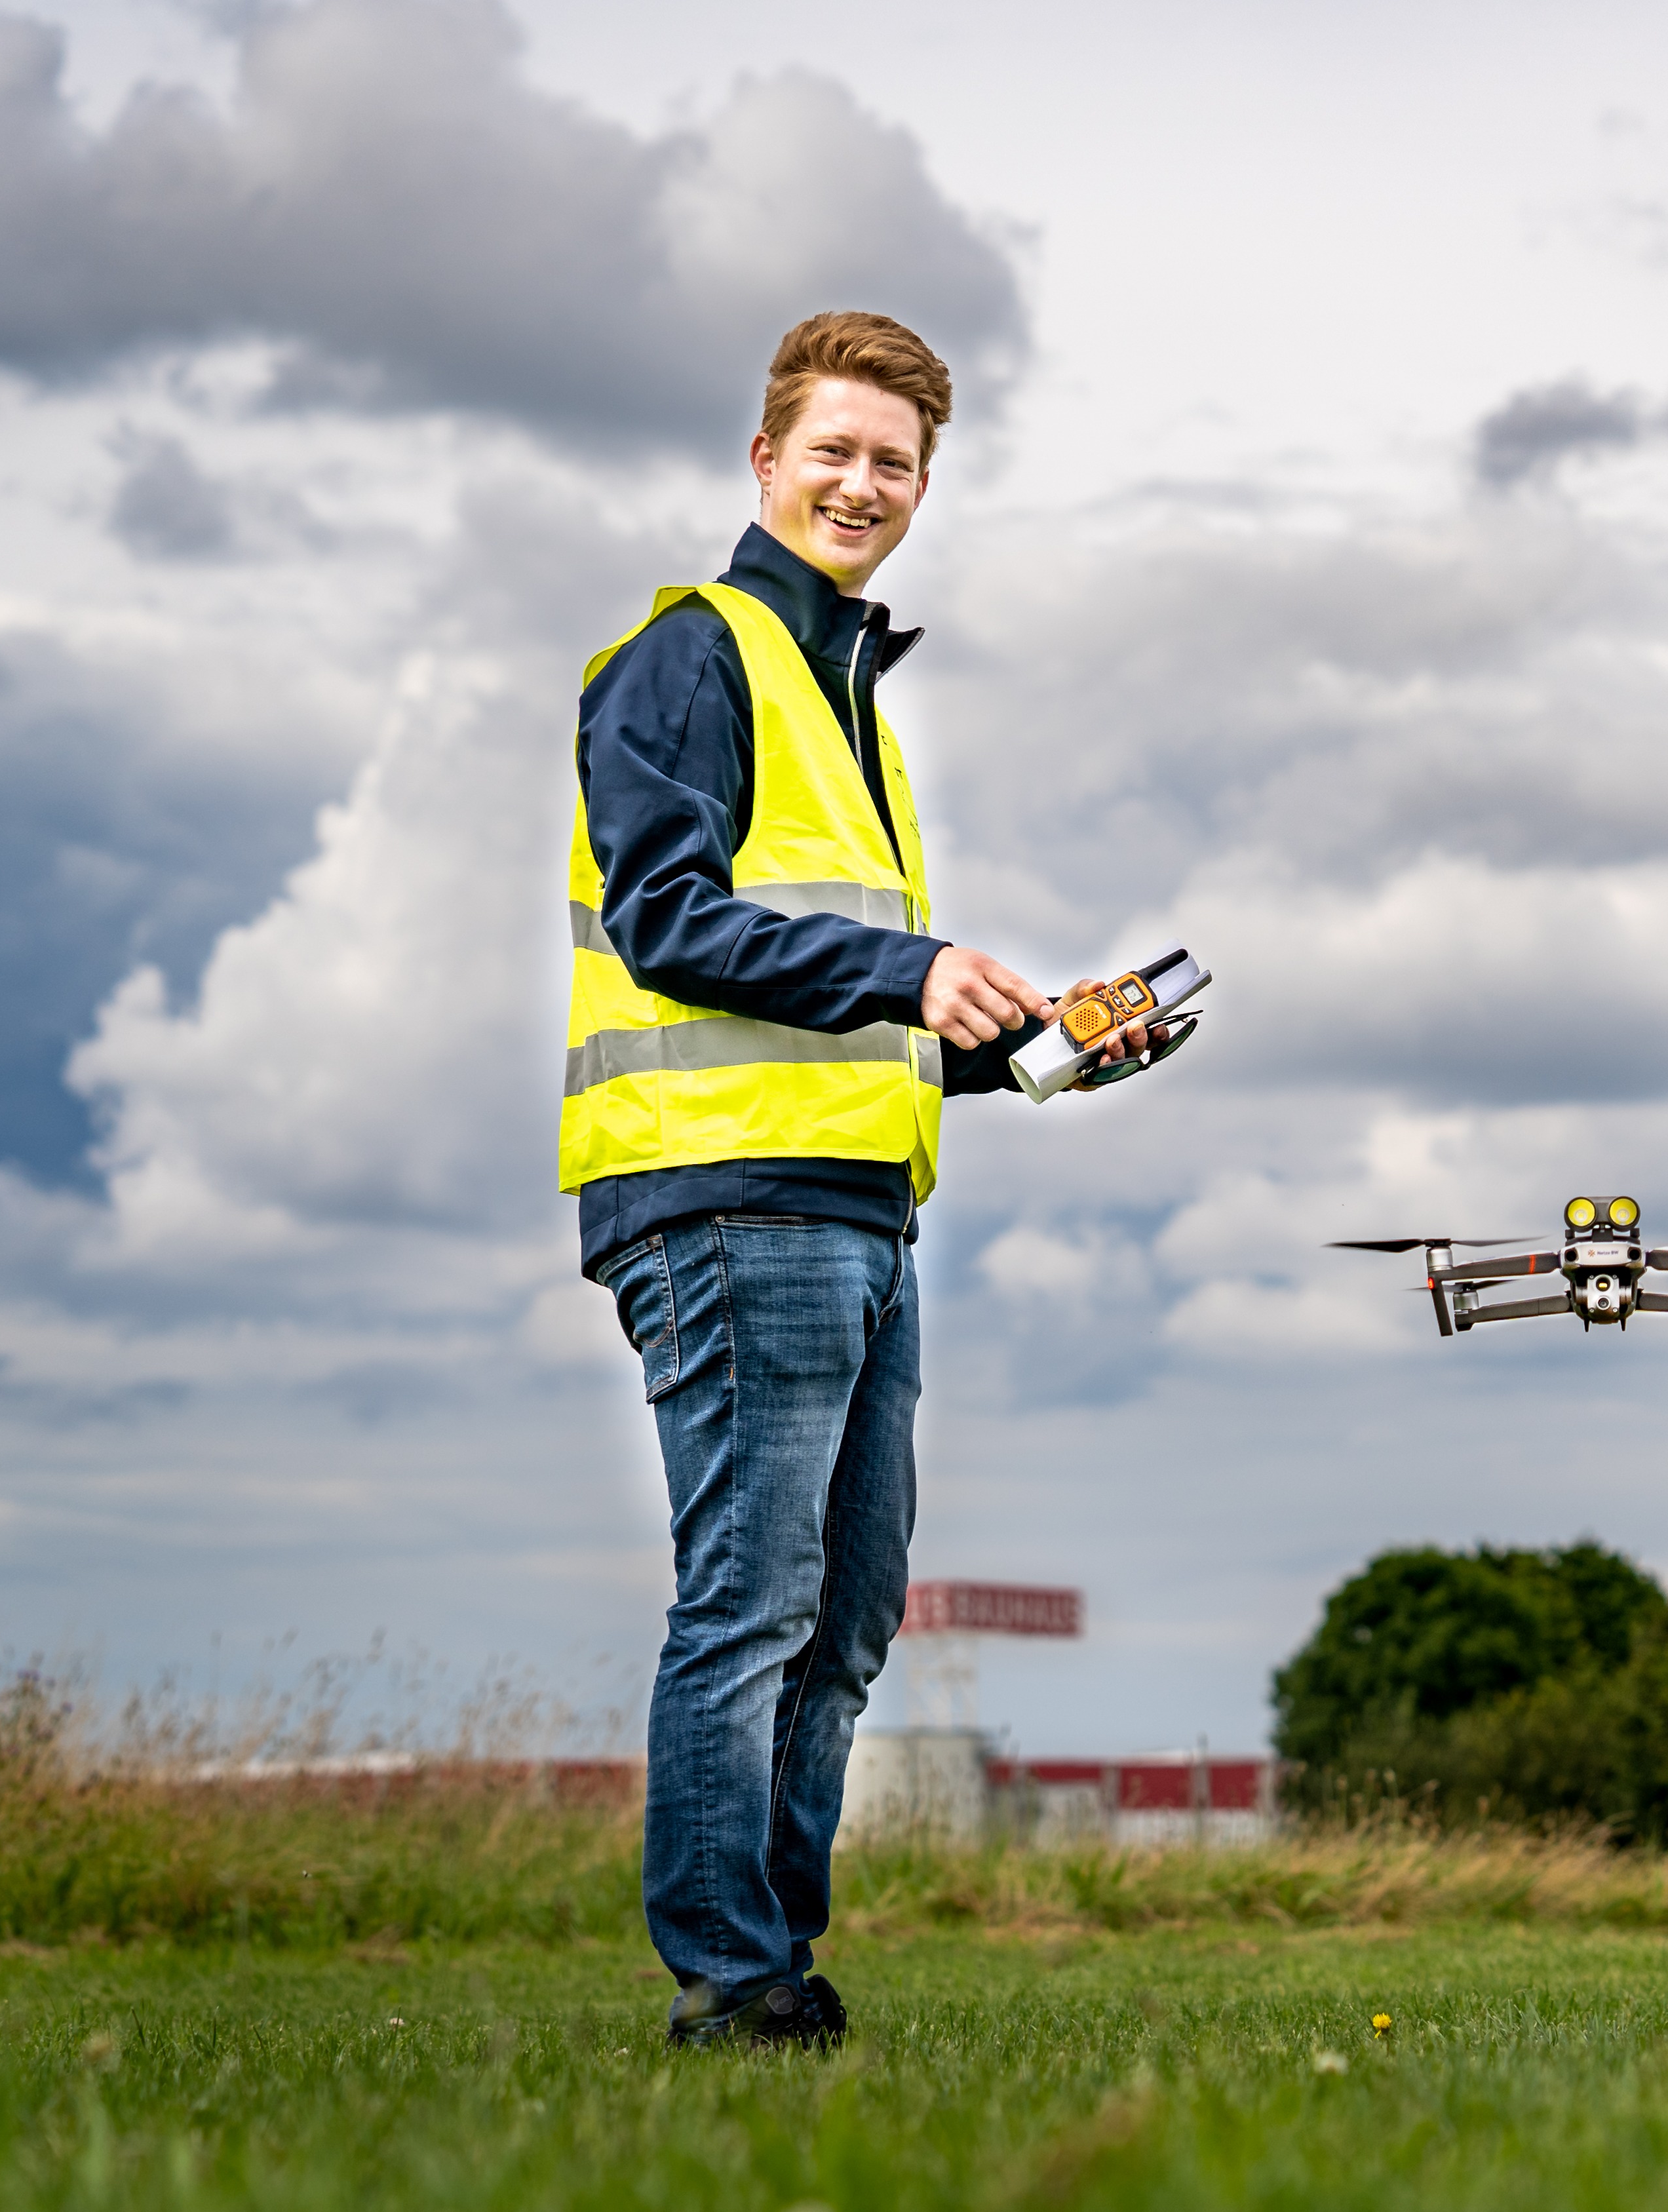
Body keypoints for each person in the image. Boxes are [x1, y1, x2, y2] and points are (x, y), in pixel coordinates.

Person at [564, 311, 1135, 2047]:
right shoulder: (692, 653)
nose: (862, 483)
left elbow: (847, 1004)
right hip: (726, 1193)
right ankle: (729, 1977)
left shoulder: (848, 689)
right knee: (754, 1598)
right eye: (833, 449)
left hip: (855, 1200)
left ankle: (777, 1964)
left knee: (847, 1615)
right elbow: (670, 922)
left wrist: (1023, 1047)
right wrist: (912, 969)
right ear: (766, 460)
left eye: (895, 461)